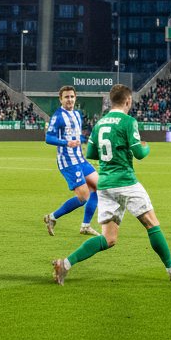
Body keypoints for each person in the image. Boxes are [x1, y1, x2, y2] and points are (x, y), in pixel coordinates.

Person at [52, 84, 171, 285]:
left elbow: (91, 153)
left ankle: (65, 263)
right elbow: (139, 154)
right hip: (125, 182)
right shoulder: (128, 121)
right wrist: (146, 146)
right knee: (151, 224)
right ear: (128, 101)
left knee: (108, 239)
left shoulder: (99, 123)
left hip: (105, 184)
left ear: (111, 101)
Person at [43, 86, 101, 237]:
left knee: (99, 187)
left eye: (72, 97)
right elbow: (48, 138)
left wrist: (87, 140)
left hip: (80, 159)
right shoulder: (58, 116)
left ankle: (85, 226)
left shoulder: (77, 114)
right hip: (68, 161)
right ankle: (52, 217)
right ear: (60, 99)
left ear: (75, 98)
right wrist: (66, 143)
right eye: (66, 97)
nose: (69, 99)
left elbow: (76, 135)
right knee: (83, 197)